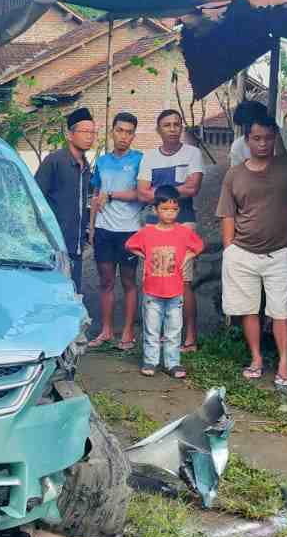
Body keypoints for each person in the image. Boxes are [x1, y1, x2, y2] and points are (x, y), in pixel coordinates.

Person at [216, 111, 287, 388]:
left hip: (280, 252)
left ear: (274, 139)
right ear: (247, 140)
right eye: (257, 138)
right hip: (242, 252)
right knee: (248, 310)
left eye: (268, 138)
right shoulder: (235, 174)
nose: (262, 144)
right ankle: (256, 359)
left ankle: (283, 363)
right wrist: (228, 250)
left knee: (281, 311)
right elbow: (227, 214)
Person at [137, 109, 208, 351]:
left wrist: (159, 192)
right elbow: (141, 191)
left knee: (183, 280)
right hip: (153, 225)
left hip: (184, 222)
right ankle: (156, 336)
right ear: (159, 129)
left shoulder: (192, 154)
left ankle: (190, 338)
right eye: (167, 125)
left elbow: (193, 188)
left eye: (177, 124)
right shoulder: (149, 157)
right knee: (155, 278)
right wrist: (176, 190)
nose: (173, 128)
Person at [125, 187, 204, 379]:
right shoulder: (147, 232)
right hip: (152, 291)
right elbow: (129, 245)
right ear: (155, 210)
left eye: (174, 209)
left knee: (174, 329)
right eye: (165, 209)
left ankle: (172, 363)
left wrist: (187, 257)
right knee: (151, 328)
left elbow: (199, 245)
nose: (170, 213)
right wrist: (143, 255)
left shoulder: (183, 232)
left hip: (175, 291)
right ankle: (151, 361)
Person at [88, 112, 144, 349]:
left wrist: (111, 195)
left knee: (129, 282)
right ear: (112, 131)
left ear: (133, 135)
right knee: (106, 281)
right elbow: (95, 196)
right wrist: (91, 227)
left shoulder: (140, 160)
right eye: (120, 130)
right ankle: (106, 330)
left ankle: (128, 332)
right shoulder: (102, 161)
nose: (124, 136)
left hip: (129, 230)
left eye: (129, 132)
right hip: (103, 229)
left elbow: (140, 194)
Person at [34, 108, 97, 296]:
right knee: (52, 296)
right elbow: (36, 199)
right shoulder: (54, 161)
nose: (90, 137)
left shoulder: (85, 166)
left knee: (73, 294)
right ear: (70, 135)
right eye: (84, 132)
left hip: (76, 246)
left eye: (92, 132)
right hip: (53, 246)